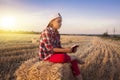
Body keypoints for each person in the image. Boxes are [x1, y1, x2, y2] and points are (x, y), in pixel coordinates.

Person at [39, 13, 84, 80]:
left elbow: (59, 47)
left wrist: (69, 50)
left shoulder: (57, 33)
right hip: (47, 56)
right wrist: (66, 51)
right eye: (58, 21)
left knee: (72, 60)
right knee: (63, 57)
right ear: (52, 21)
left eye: (61, 22)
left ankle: (80, 78)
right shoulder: (46, 31)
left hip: (55, 54)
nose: (60, 23)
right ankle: (74, 57)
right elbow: (51, 49)